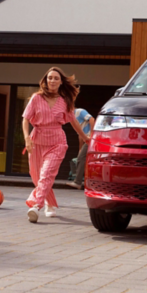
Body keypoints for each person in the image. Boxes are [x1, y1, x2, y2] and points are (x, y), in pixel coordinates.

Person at [23, 67, 87, 223]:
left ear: (60, 82)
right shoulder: (36, 98)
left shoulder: (65, 100)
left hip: (57, 142)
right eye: (49, 78)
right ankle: (49, 203)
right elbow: (25, 119)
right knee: (37, 177)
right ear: (45, 80)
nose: (52, 81)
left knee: (46, 175)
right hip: (37, 141)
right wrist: (27, 138)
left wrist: (85, 137)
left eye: (55, 78)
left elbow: (73, 120)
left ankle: (36, 206)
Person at [66, 108, 94, 189]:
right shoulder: (71, 118)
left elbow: (92, 119)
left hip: (90, 138)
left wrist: (91, 135)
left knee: (81, 159)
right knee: (83, 159)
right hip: (86, 139)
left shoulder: (79, 111)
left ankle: (77, 182)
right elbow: (80, 135)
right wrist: (80, 148)